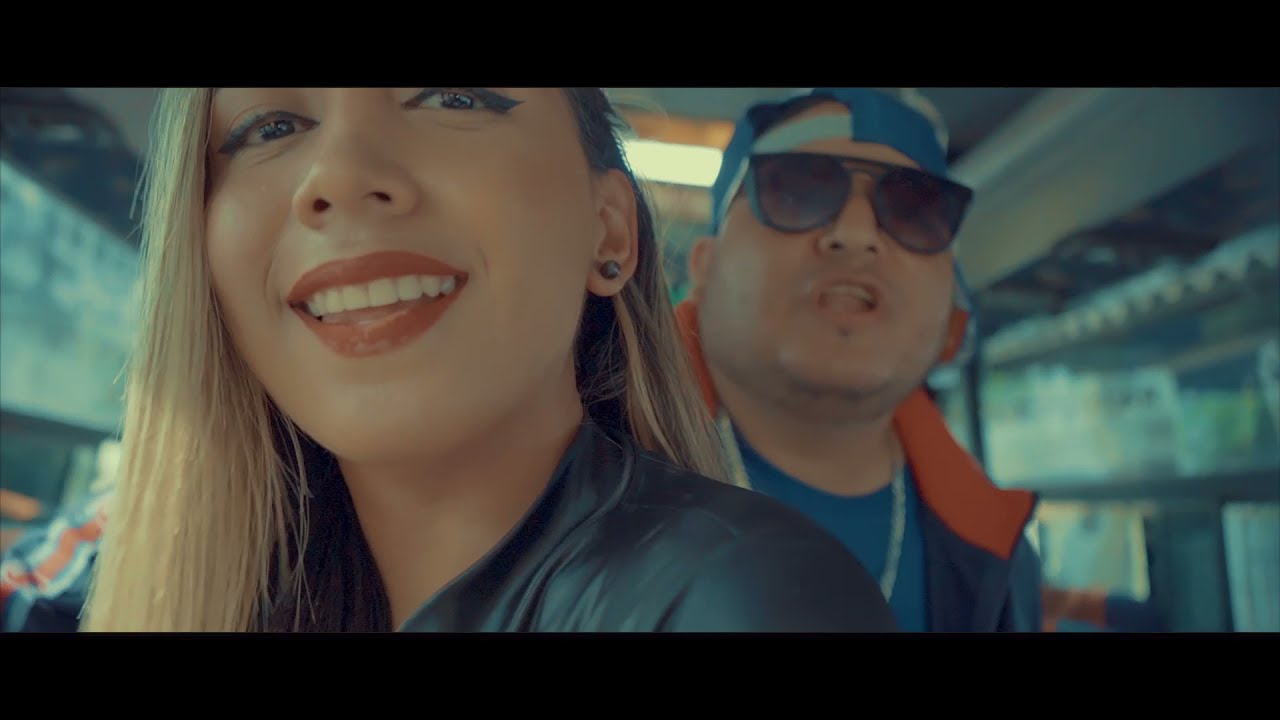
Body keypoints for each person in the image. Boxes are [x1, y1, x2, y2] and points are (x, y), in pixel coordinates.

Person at [80, 87, 896, 633]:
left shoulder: (742, 598)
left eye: (453, 95)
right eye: (272, 128)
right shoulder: (159, 585)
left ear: (609, 231)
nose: (340, 176)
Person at [675, 87, 1043, 632]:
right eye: (795, 191)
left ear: (950, 301)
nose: (854, 235)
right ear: (705, 266)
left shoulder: (1000, 559)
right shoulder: (568, 484)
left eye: (914, 210)